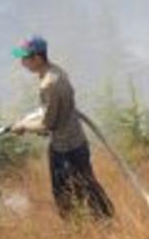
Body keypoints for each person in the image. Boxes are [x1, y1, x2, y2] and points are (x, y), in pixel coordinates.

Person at [10, 35, 114, 220]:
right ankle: (106, 221)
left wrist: (23, 126)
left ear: (38, 58)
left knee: (66, 195)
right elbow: (55, 113)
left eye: (25, 58)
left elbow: (48, 124)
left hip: (65, 149)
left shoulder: (49, 83)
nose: (22, 62)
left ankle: (85, 229)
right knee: (88, 186)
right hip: (75, 143)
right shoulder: (55, 72)